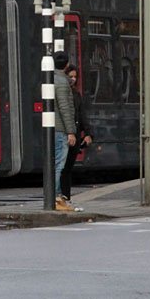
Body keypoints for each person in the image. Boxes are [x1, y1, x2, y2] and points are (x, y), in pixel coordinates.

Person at [61, 63, 92, 212]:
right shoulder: (63, 92)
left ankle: (66, 199)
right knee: (62, 168)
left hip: (74, 135)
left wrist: (88, 133)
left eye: (75, 77)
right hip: (66, 135)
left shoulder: (76, 94)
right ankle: (61, 198)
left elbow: (81, 114)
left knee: (67, 170)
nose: (73, 79)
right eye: (70, 76)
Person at [52, 50, 77, 212]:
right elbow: (65, 108)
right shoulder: (61, 82)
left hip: (53, 128)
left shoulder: (50, 79)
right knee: (59, 165)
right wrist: (71, 131)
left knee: (56, 164)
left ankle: (56, 197)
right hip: (60, 129)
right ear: (67, 65)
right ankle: (56, 198)